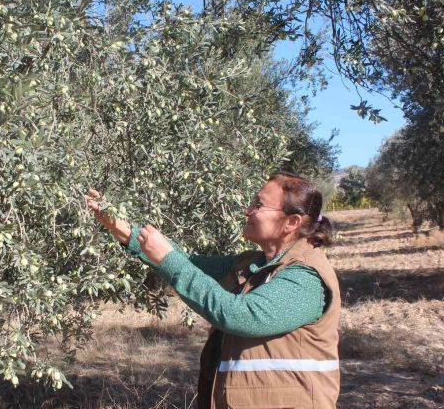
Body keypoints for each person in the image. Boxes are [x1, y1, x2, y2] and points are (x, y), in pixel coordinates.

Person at [85, 172, 340, 409]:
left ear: (291, 222)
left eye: (259, 205)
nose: (248, 210)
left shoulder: (306, 277)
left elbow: (241, 315)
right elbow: (187, 263)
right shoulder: (253, 264)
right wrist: (123, 229)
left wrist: (169, 260)